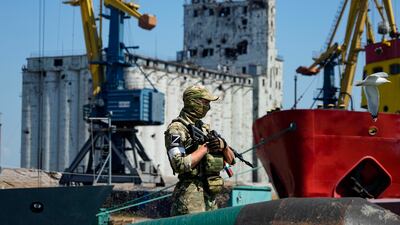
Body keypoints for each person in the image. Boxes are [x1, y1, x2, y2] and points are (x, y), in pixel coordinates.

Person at [164, 85, 235, 216]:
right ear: (193, 102)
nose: (208, 107)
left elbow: (231, 161)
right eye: (205, 102)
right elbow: (178, 164)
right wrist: (205, 148)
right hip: (190, 197)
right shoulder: (176, 130)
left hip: (210, 195)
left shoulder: (204, 129)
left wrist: (223, 146)